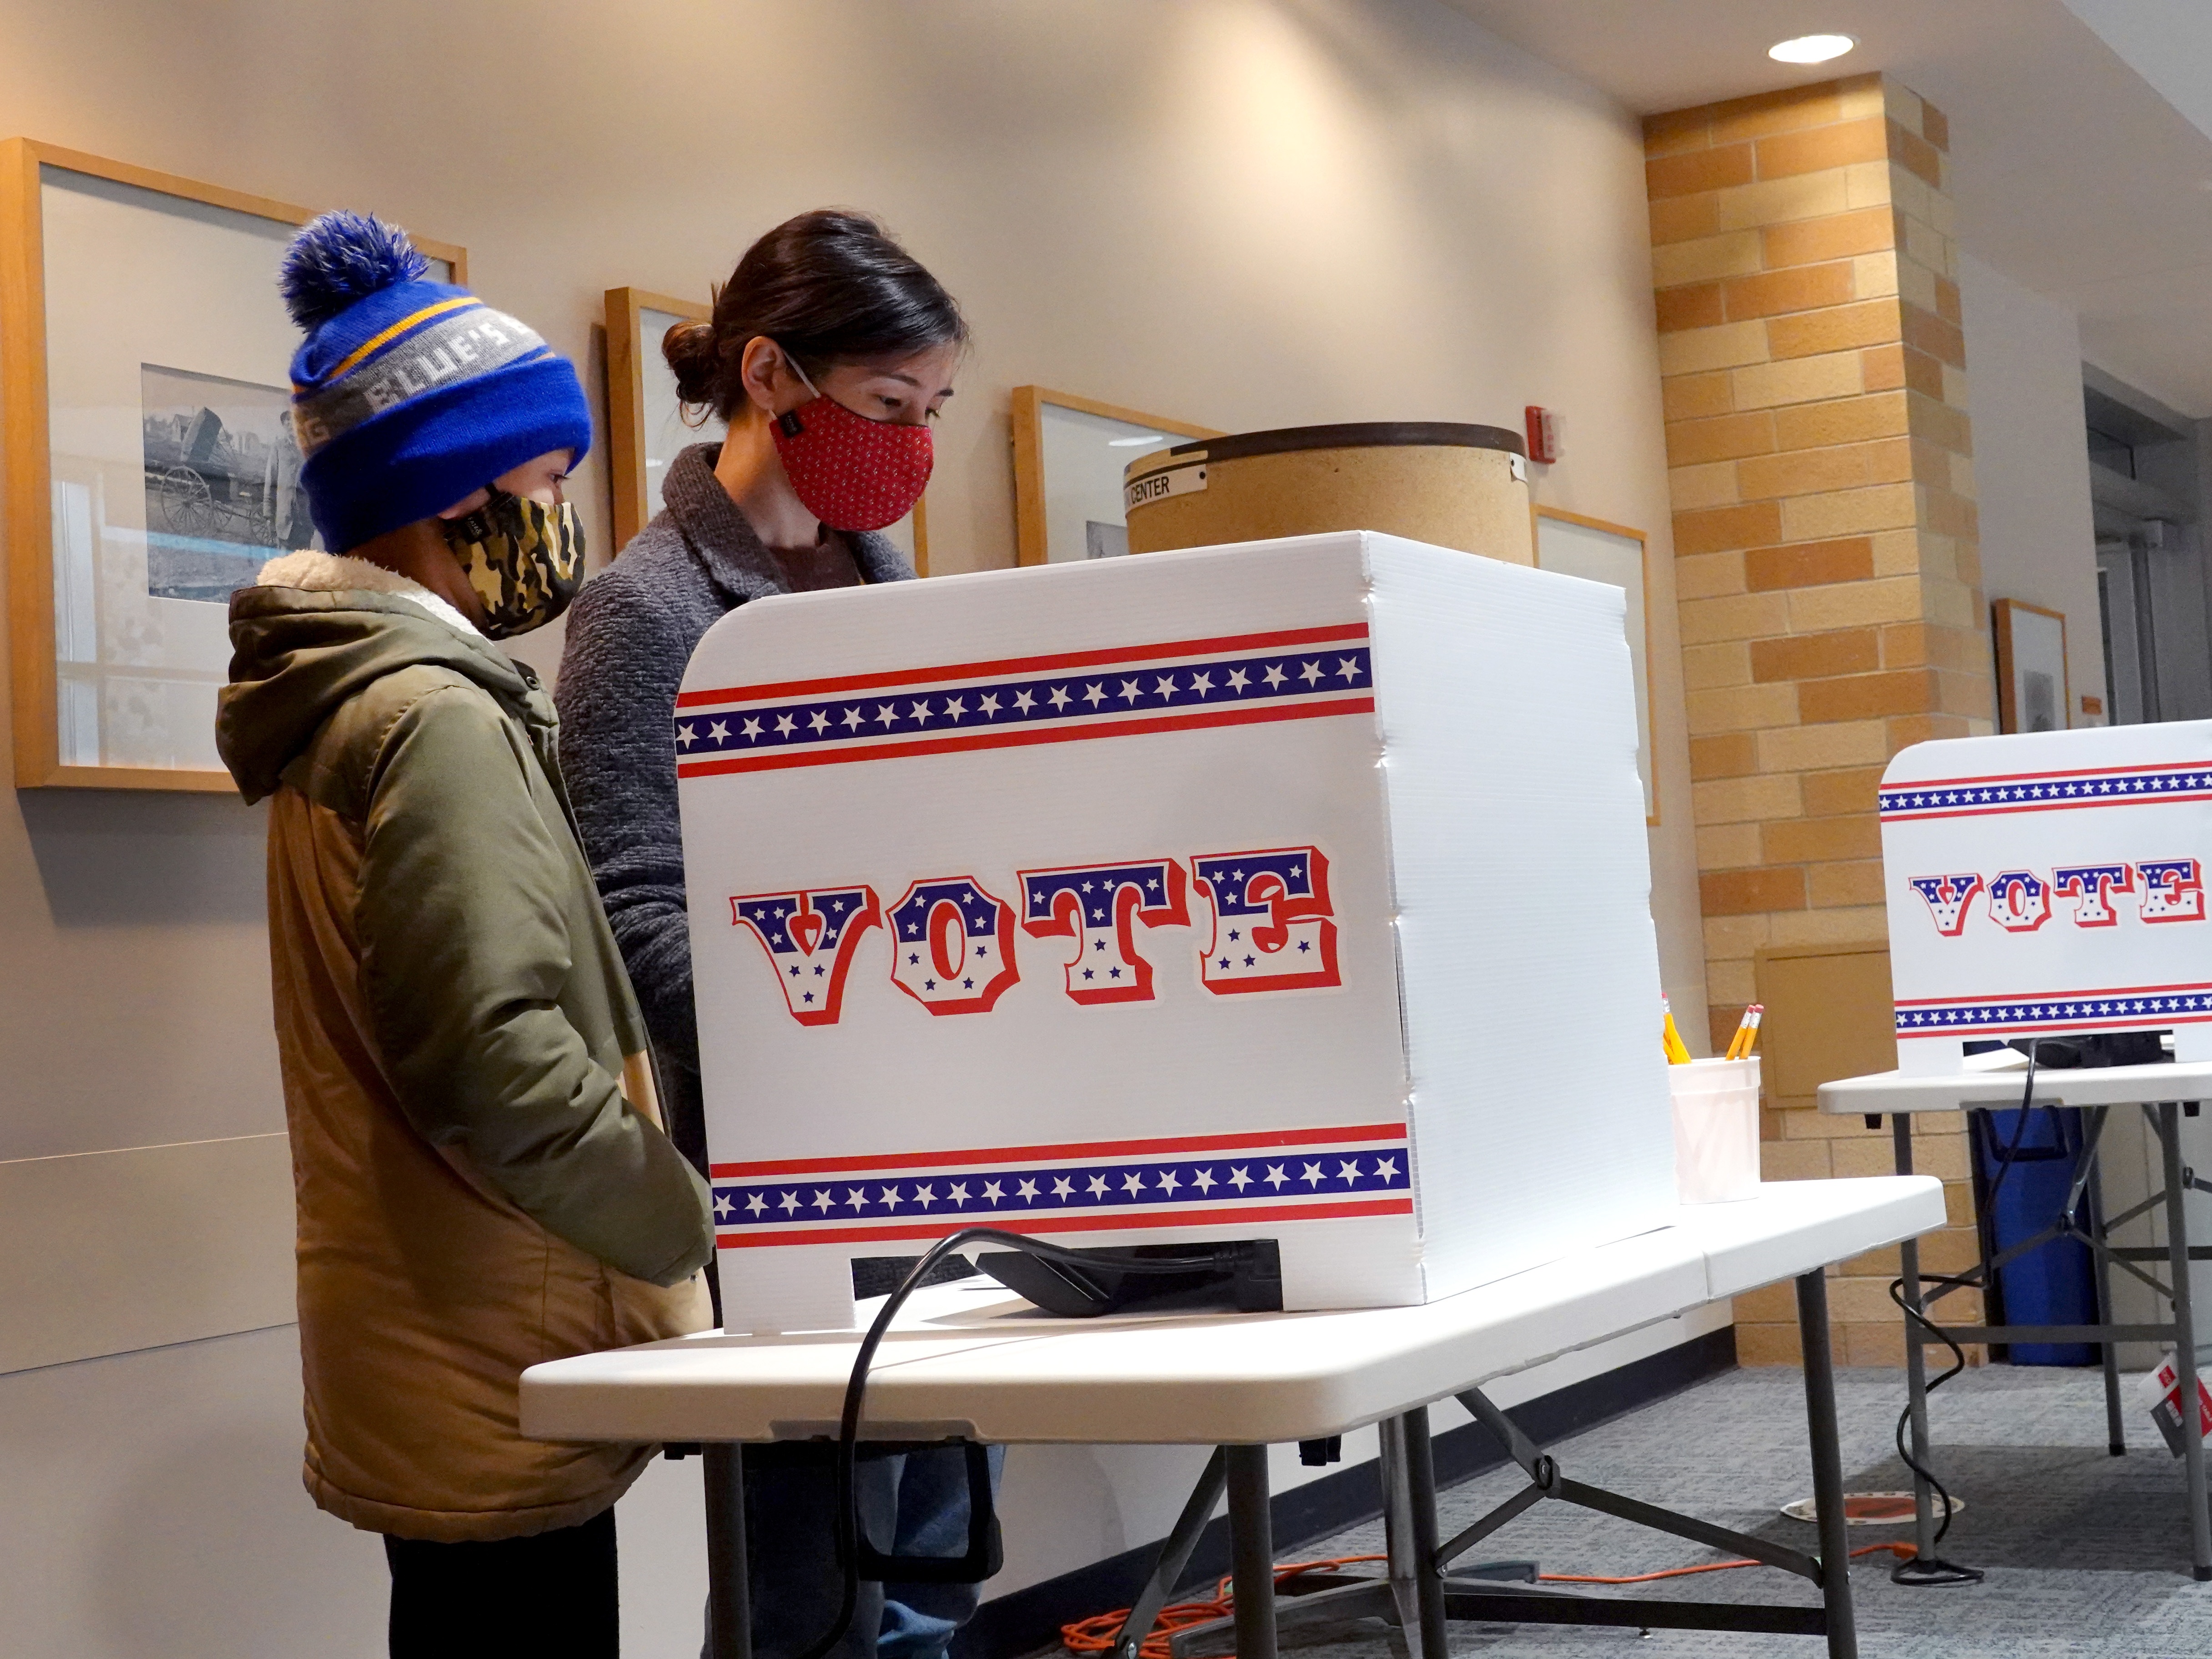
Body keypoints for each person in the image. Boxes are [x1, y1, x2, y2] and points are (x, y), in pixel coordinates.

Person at [216, 211, 715, 1659]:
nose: (561, 511)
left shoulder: (351, 702)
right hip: (504, 1332)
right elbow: (490, 1055)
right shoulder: (435, 717)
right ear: (460, 483)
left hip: (439, 1320)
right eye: (550, 476)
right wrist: (680, 1214)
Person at [554, 210, 989, 1659]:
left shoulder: (886, 586)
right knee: (811, 1579)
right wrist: (834, 1029)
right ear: (767, 374)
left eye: (932, 413)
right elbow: (634, 908)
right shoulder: (647, 612)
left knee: (938, 1548)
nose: (912, 447)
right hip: (785, 1159)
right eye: (885, 407)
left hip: (945, 1137)